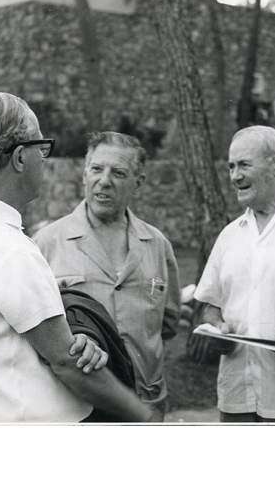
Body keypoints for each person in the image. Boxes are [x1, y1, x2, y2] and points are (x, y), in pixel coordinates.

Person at [0, 92, 152, 423]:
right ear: (19, 157)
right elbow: (68, 364)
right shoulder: (9, 249)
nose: (43, 159)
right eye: (40, 148)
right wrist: (143, 415)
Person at [34, 131, 181, 421]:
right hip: (78, 407)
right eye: (97, 169)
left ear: (138, 182)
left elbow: (167, 324)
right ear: (84, 175)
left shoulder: (157, 244)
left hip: (146, 403)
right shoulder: (47, 243)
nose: (104, 181)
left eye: (119, 173)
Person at [194, 126, 275, 422]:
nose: (234, 176)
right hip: (235, 400)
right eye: (230, 166)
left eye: (243, 165)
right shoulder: (229, 236)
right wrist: (217, 330)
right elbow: (210, 308)